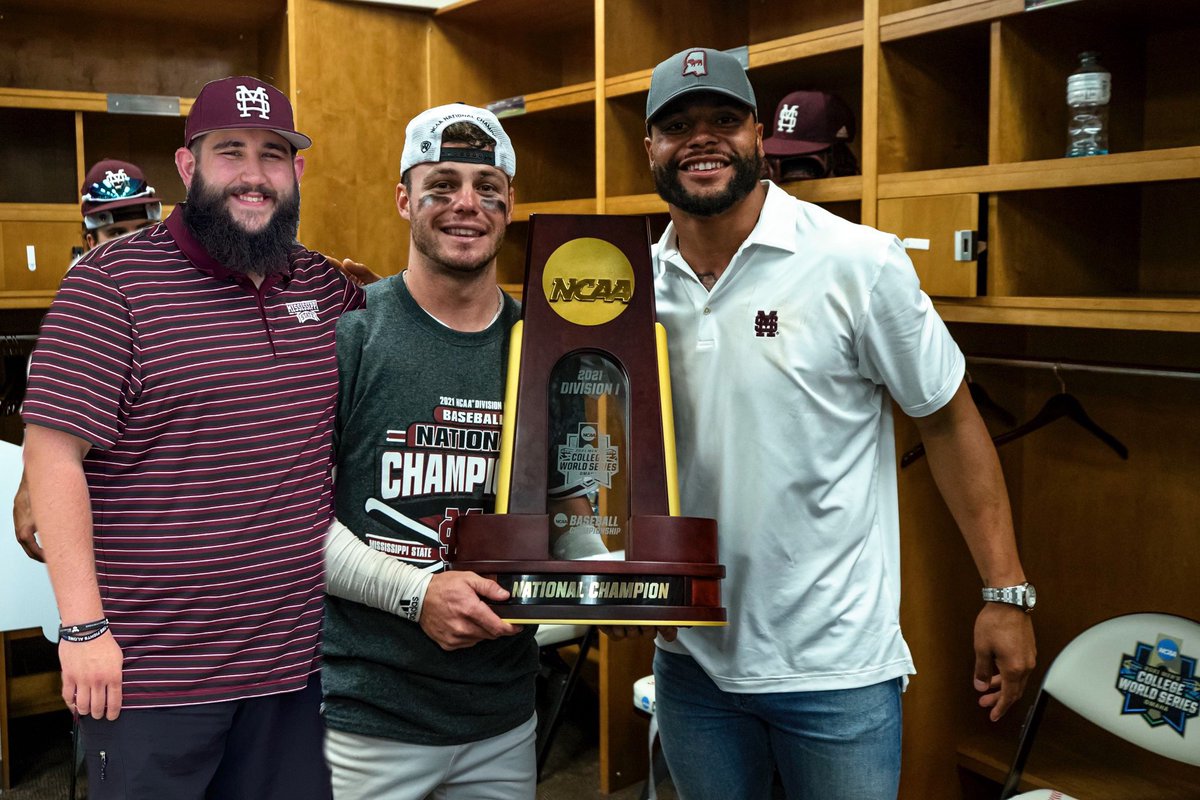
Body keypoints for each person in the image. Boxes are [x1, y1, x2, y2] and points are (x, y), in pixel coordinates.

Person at [639, 47, 1037, 799]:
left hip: (836, 672)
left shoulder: (859, 261)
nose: (702, 139)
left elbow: (948, 420)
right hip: (690, 663)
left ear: (758, 134)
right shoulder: (633, 286)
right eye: (677, 124)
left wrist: (1005, 591)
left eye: (724, 118)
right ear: (649, 148)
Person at [21, 75, 364, 799]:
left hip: (295, 668)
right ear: (187, 167)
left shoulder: (325, 289)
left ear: (296, 172)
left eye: (273, 155)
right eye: (228, 152)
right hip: (151, 674)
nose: (253, 175)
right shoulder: (111, 285)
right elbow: (53, 457)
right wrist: (83, 631)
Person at [320, 103, 544, 800]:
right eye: (442, 184)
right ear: (403, 199)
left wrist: (615, 593)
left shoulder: (547, 347)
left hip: (503, 718)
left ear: (510, 204)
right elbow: (286, 514)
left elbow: (574, 509)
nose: (466, 205)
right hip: (367, 721)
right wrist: (416, 594)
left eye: (487, 185)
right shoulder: (347, 334)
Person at [13, 159, 164, 562]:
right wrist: (31, 481)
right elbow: (51, 416)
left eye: (142, 230)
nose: (131, 244)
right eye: (115, 232)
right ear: (90, 239)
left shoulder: (186, 292)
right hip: (110, 526)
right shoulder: (78, 312)